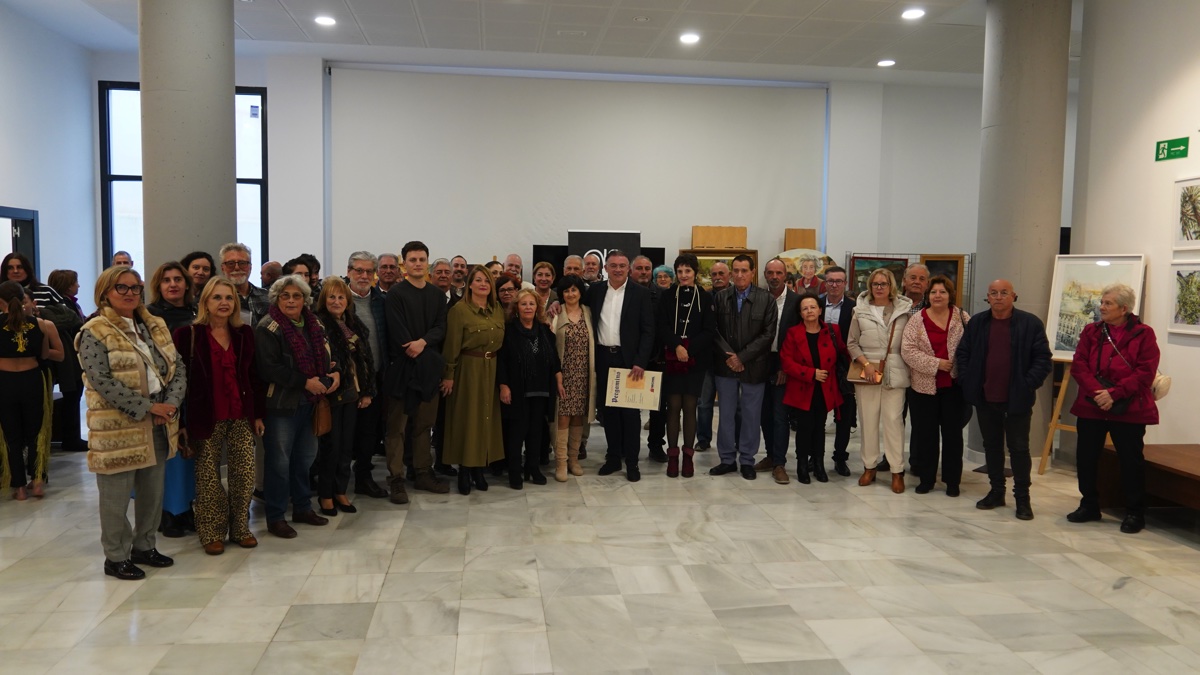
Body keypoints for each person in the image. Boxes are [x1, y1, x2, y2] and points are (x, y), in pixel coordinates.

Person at [78, 266, 185, 580]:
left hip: (160, 422)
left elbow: (177, 368)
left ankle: (144, 546)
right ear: (105, 293)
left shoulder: (155, 324)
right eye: (121, 288)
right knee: (115, 498)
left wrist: (171, 405)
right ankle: (116, 557)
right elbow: (102, 381)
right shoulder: (94, 331)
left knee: (153, 493)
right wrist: (149, 407)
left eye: (134, 288)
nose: (129, 294)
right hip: (118, 428)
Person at [174, 277, 264, 555]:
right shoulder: (187, 335)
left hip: (240, 414)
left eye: (229, 298)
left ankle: (240, 527)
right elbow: (176, 383)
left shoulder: (244, 334)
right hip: (204, 416)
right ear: (205, 302)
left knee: (244, 474)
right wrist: (180, 423)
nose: (224, 303)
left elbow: (253, 376)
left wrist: (257, 415)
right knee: (208, 477)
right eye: (217, 297)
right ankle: (211, 531)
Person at [956, 279, 1052, 520]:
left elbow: (1043, 359)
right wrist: (968, 380)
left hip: (1017, 398)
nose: (998, 297)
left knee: (1019, 448)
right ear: (988, 297)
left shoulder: (1030, 324)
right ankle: (996, 491)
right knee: (992, 446)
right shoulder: (977, 323)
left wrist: (1027, 383)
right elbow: (964, 353)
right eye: (994, 293)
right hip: (986, 396)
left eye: (1004, 293)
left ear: (1013, 296)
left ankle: (1022, 498)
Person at [1067, 283, 1159, 534]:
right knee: (1086, 458)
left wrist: (1114, 394)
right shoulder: (1091, 331)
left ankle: (1134, 512)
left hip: (1129, 407)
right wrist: (1099, 393)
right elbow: (1080, 365)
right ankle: (1089, 505)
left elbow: (1145, 372)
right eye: (1102, 302)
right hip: (1092, 405)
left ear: (1124, 309)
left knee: (1131, 461)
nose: (1102, 307)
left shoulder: (1144, 334)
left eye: (1108, 303)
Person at [255, 274, 337, 538]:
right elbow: (269, 369)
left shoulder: (315, 324)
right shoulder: (268, 327)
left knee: (304, 460)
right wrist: (305, 382)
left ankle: (302, 507)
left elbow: (325, 357)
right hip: (281, 406)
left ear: (306, 300)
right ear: (276, 299)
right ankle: (276, 517)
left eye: (297, 296)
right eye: (285, 296)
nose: (291, 301)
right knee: (279, 463)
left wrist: (331, 375)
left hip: (310, 403)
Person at [382, 241, 450, 504]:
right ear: (405, 264)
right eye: (413, 260)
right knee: (397, 427)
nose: (418, 264)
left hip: (428, 369)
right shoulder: (396, 294)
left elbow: (440, 327)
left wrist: (422, 342)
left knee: (424, 425)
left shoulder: (436, 295)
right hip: (402, 367)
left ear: (428, 263)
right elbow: (397, 330)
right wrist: (417, 343)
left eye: (422, 259)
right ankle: (396, 478)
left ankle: (422, 472)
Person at [587, 250, 655, 481]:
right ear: (605, 268)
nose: (617, 269)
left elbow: (648, 331)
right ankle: (613, 457)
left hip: (629, 362)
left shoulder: (641, 294)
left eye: (622, 265)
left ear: (629, 269)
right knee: (608, 412)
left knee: (630, 413)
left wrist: (640, 361)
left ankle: (633, 463)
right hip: (603, 358)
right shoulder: (595, 291)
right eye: (613, 265)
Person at [711, 254, 777, 480]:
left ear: (752, 272)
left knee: (751, 415)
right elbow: (714, 331)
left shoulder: (766, 299)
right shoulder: (720, 298)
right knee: (726, 415)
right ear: (731, 272)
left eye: (744, 271)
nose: (739, 275)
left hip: (755, 366)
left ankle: (747, 460)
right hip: (726, 365)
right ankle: (727, 459)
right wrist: (731, 357)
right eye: (736, 270)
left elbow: (768, 334)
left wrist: (742, 357)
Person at [847, 268, 912, 493]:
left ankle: (896, 470)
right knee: (868, 419)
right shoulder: (860, 310)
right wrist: (866, 365)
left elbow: (910, 342)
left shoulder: (905, 310)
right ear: (870, 286)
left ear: (891, 285)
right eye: (875, 283)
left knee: (894, 421)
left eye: (883, 283)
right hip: (867, 368)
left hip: (895, 368)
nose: (879, 287)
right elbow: (852, 343)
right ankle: (869, 466)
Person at [442, 265, 506, 494]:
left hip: (492, 368)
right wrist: (449, 375)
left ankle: (479, 467)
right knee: (466, 419)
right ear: (469, 284)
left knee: (486, 419)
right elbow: (451, 346)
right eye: (477, 280)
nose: (482, 284)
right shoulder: (459, 310)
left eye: (486, 281)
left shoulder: (497, 309)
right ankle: (465, 469)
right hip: (467, 370)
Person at [901, 275, 967, 496]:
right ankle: (926, 479)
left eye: (943, 292)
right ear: (928, 296)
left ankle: (952, 481)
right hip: (923, 388)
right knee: (926, 435)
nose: (938, 296)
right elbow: (907, 351)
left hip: (954, 387)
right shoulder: (916, 320)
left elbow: (972, 348)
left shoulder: (963, 318)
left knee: (953, 436)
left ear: (950, 295)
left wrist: (955, 367)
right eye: (934, 292)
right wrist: (937, 364)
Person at [314, 277, 374, 518]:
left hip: (353, 393)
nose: (337, 301)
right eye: (332, 297)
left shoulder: (353, 324)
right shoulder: (318, 324)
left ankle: (340, 490)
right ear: (323, 300)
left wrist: (367, 391)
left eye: (341, 297)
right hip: (332, 394)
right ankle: (325, 494)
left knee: (346, 447)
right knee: (331, 446)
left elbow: (366, 360)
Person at [146, 261, 199, 538]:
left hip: (196, 391)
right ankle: (167, 514)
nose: (173, 284)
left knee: (190, 453)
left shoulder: (196, 312)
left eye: (178, 279)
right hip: (165, 393)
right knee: (170, 456)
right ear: (159, 286)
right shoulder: (149, 316)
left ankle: (186, 509)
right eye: (167, 280)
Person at [656, 254, 714, 478]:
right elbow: (661, 325)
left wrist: (689, 349)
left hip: (695, 359)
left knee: (690, 406)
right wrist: (677, 346)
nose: (683, 275)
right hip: (672, 357)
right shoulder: (668, 295)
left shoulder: (706, 298)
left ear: (695, 273)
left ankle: (688, 457)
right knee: (673, 406)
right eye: (679, 271)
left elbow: (709, 330)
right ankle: (672, 457)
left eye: (687, 271)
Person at [780, 294, 848, 484]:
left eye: (813, 307)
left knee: (820, 427)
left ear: (820, 310)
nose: (809, 311)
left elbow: (843, 352)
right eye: (805, 308)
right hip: (803, 387)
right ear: (800, 313)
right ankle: (802, 465)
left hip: (826, 388)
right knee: (804, 428)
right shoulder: (793, 333)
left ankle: (818, 464)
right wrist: (811, 373)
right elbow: (786, 362)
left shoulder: (833, 330)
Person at [498, 289, 561, 489]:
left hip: (541, 389)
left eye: (531, 304)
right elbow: (502, 362)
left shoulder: (545, 330)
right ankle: (515, 471)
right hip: (517, 390)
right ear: (516, 307)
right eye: (523, 304)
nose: (528, 307)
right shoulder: (508, 331)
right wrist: (503, 385)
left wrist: (558, 381)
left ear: (537, 307)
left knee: (536, 433)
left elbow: (554, 360)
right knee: (517, 433)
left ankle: (533, 468)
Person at [0, 282, 54, 500]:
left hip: (4, 382)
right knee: (35, 433)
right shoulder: (39, 324)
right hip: (32, 380)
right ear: (24, 299)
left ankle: (19, 488)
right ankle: (38, 482)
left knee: (11, 436)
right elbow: (44, 355)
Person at [345, 251, 391, 498]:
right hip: (346, 382)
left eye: (368, 271)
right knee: (343, 435)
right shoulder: (338, 300)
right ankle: (336, 484)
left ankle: (363, 477)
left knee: (368, 434)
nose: (364, 276)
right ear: (349, 271)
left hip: (374, 380)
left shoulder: (380, 302)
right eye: (358, 270)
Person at [756, 257, 801, 483]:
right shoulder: (758, 298)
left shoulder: (796, 302)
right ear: (765, 274)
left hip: (784, 364)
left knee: (780, 415)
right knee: (764, 414)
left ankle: (780, 463)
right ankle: (770, 455)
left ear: (786, 275)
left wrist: (785, 366)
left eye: (778, 273)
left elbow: (799, 338)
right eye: (770, 273)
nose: (774, 277)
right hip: (760, 363)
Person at [550, 274, 593, 481]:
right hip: (563, 373)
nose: (570, 294)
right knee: (562, 417)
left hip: (583, 373)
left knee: (579, 417)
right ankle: (560, 462)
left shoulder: (588, 312)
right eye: (566, 291)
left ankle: (573, 460)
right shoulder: (556, 313)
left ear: (580, 292)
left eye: (574, 290)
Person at [820, 266, 856, 476]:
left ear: (845, 284)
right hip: (819, 368)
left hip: (845, 369)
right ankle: (814, 457)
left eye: (838, 281)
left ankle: (840, 458)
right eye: (830, 281)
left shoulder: (854, 308)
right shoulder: (814, 304)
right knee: (817, 417)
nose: (834, 284)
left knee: (844, 417)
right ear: (825, 282)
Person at [47, 269, 87, 453]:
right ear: (67, 285)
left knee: (74, 397)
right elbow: (74, 325)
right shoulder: (63, 308)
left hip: (71, 356)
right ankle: (70, 438)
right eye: (75, 282)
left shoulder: (69, 305)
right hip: (68, 358)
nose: (78, 285)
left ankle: (72, 437)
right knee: (72, 397)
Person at [695, 260, 731, 451]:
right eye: (714, 274)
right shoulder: (704, 297)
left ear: (729, 275)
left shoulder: (737, 297)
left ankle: (733, 440)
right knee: (704, 403)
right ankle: (703, 439)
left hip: (730, 359)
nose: (717, 277)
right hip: (707, 358)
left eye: (721, 274)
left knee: (732, 405)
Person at [219, 243, 271, 329]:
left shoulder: (267, 297)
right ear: (222, 268)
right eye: (231, 263)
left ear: (250, 267)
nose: (236, 268)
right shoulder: (216, 299)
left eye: (242, 263)